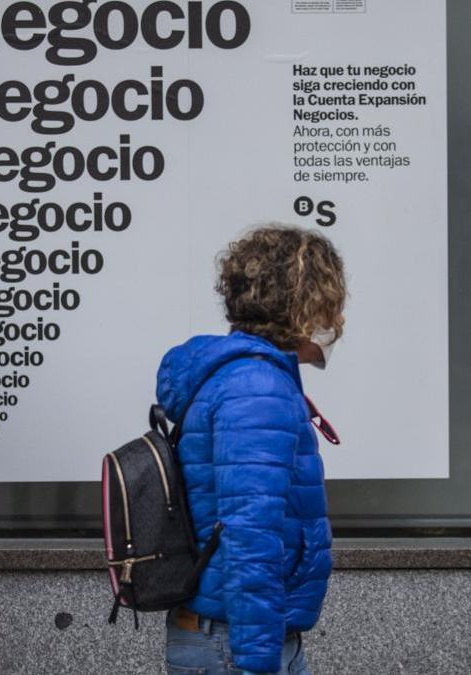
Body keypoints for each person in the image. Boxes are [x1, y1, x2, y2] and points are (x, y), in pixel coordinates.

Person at [155, 225, 345, 674]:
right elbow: (250, 536)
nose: (336, 321)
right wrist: (258, 663)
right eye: (329, 305)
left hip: (232, 636)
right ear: (301, 304)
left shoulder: (242, 377)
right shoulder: (256, 388)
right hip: (237, 645)